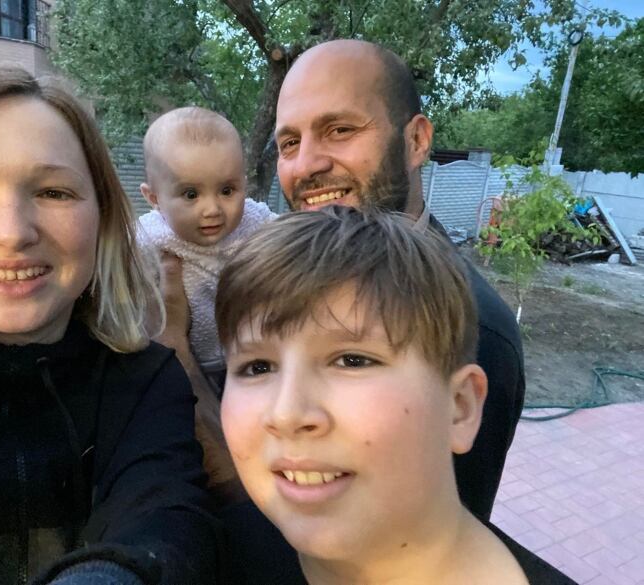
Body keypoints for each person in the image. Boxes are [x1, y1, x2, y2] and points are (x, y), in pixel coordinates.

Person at [0, 66, 218, 585]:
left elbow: (166, 531)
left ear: (101, 215)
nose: (12, 232)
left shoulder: (145, 383)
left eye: (53, 192)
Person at [217, 207, 575, 585]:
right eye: (257, 367)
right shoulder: (211, 553)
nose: (286, 413)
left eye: (352, 360)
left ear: (459, 408)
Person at [273, 39, 525, 520]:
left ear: (416, 141)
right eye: (289, 143)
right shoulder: (295, 281)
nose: (306, 165)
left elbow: (437, 542)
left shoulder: (470, 329)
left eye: (339, 129)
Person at [138, 106, 275, 390]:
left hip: (254, 354)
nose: (212, 209)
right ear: (154, 198)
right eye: (191, 194)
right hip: (186, 361)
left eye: (227, 190)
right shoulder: (148, 236)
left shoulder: (255, 220)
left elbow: (295, 239)